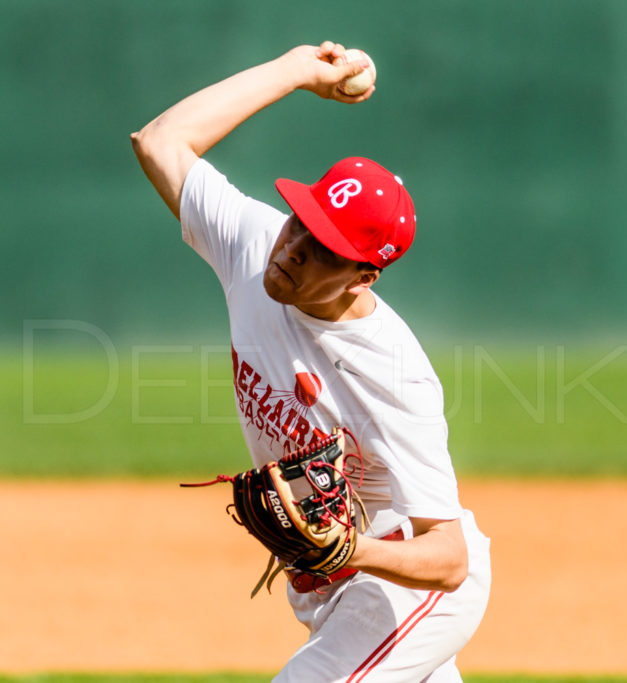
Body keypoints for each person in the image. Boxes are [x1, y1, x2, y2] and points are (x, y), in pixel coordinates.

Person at [131, 41, 491, 683]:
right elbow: (160, 140)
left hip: (412, 592)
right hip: (340, 592)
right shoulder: (252, 242)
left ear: (364, 276)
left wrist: (354, 549)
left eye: (323, 247)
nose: (292, 247)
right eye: (301, 219)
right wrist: (293, 71)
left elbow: (450, 557)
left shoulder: (392, 374)